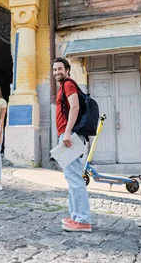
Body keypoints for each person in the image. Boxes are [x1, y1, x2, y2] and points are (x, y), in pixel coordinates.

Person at [53, 57, 92, 232]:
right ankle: (75, 216)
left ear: (67, 70)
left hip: (70, 135)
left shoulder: (68, 84)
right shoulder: (63, 86)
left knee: (75, 178)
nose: (57, 72)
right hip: (67, 135)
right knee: (72, 178)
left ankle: (82, 220)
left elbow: (75, 107)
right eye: (54, 70)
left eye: (60, 69)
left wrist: (67, 132)